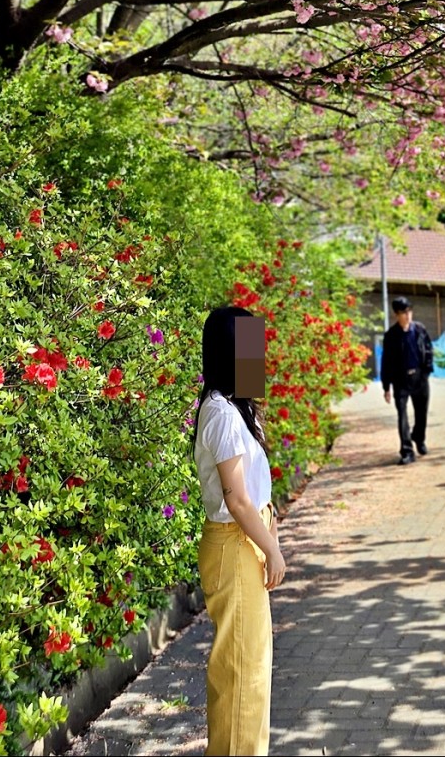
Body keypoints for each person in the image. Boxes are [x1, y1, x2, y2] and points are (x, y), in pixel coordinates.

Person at [193, 306, 286, 756]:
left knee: (250, 669)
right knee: (242, 675)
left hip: (245, 540)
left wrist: (269, 537)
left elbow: (251, 495)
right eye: (252, 349)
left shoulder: (234, 407)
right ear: (231, 353)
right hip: (235, 545)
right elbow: (237, 499)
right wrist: (273, 548)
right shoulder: (222, 415)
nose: (259, 358)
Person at [381, 295, 434, 463]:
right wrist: (386, 387)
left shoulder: (420, 330)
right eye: (404, 312)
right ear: (396, 314)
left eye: (409, 311)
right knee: (402, 415)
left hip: (419, 378)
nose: (408, 315)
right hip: (401, 380)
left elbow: (429, 350)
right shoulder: (391, 336)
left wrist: (426, 373)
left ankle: (419, 438)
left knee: (421, 413)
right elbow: (386, 361)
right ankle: (407, 451)